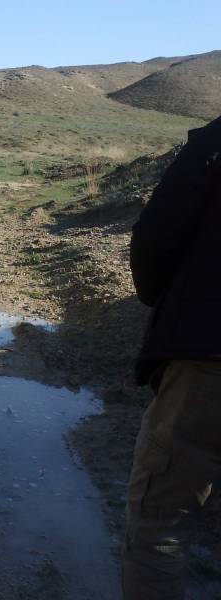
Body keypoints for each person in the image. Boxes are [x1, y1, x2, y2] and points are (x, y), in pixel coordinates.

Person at [124, 115, 221, 599]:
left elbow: (156, 240)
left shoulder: (215, 144)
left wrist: (162, 299)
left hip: (208, 358)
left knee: (162, 526)